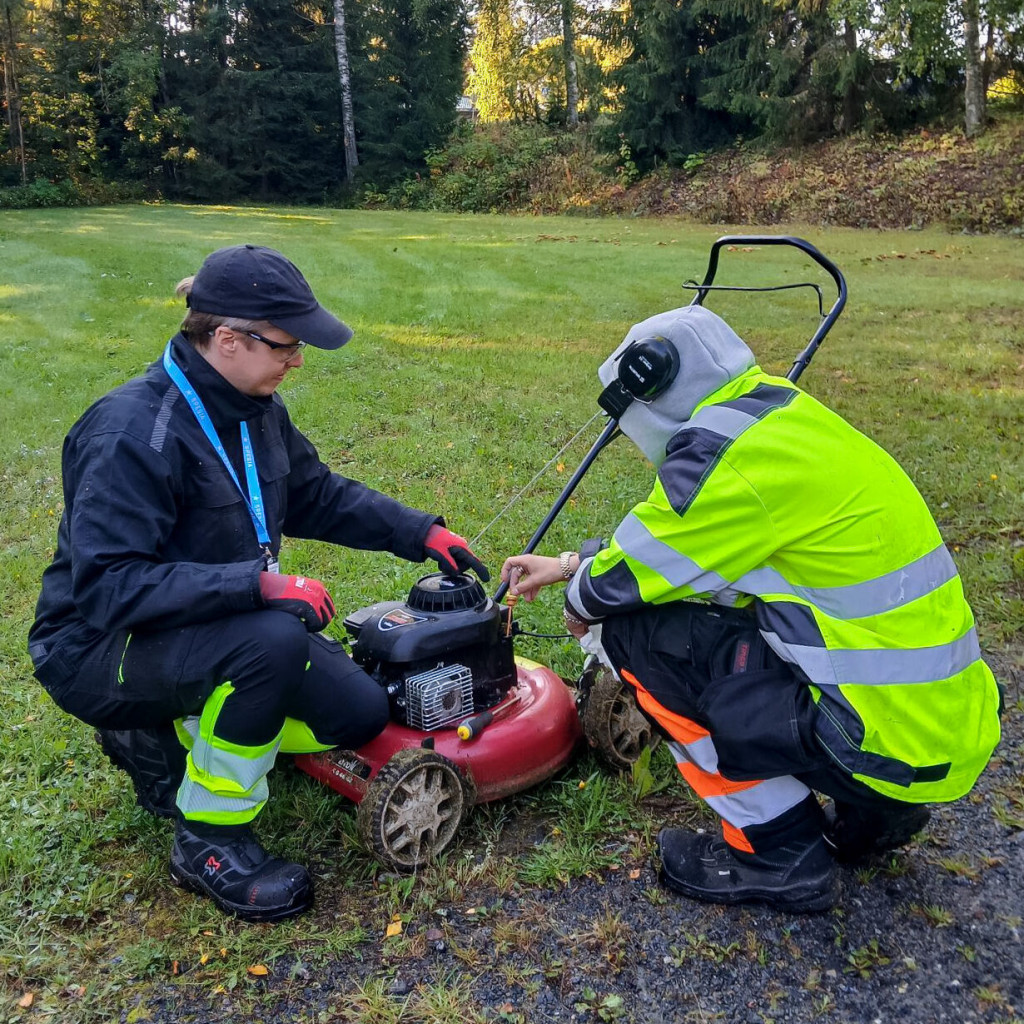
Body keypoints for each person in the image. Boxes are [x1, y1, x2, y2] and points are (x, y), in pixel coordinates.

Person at [28, 244, 488, 922]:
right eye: (286, 344)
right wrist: (258, 587)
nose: (297, 359)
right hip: (100, 644)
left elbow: (318, 495)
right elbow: (109, 587)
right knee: (272, 643)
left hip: (199, 625)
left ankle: (159, 734)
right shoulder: (131, 433)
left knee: (358, 714)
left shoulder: (253, 407)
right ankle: (208, 841)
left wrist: (418, 532)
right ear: (227, 339)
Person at [501, 304, 1001, 914]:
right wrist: (573, 563)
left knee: (630, 634)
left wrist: (579, 594)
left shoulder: (724, 456)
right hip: (939, 730)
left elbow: (619, 585)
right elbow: (704, 562)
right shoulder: (788, 420)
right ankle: (878, 810)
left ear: (649, 393)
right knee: (723, 616)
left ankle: (776, 852)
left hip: (874, 741)